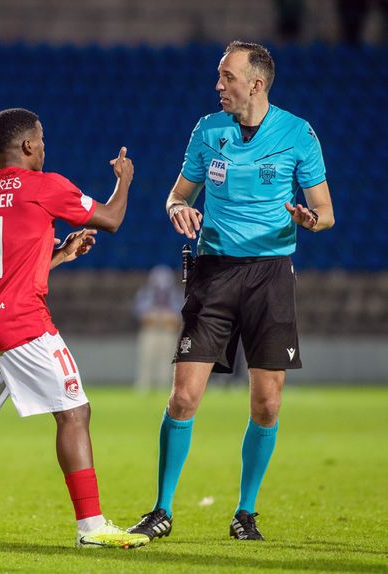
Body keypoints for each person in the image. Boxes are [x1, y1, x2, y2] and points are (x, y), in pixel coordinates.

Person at [0, 107, 150, 550]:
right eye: (42, 141)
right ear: (30, 145)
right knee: (75, 413)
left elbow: (2, 260)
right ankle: (91, 527)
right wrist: (124, 178)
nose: (45, 148)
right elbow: (110, 219)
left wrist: (59, 254)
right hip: (22, 322)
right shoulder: (46, 185)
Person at [128, 41, 334, 542]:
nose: (218, 85)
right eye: (219, 76)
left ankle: (245, 512)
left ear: (256, 84)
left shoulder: (298, 134)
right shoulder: (207, 130)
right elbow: (178, 193)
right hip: (214, 272)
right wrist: (177, 207)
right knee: (183, 396)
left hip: (270, 276)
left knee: (266, 403)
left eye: (227, 77)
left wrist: (310, 221)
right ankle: (162, 510)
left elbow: (325, 213)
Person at [133, 265, 182, 392]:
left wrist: (163, 317)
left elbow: (178, 314)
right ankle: (144, 385)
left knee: (167, 359)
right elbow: (141, 313)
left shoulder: (175, 294)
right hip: (150, 331)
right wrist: (158, 317)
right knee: (147, 358)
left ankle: (163, 385)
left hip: (168, 331)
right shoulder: (145, 293)